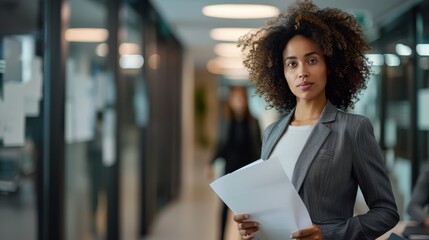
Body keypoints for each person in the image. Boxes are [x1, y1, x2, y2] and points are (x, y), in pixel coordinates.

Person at [232, 0, 399, 239]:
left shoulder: (353, 129)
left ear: (329, 66)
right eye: (292, 63)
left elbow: (386, 212)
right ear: (283, 73)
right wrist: (252, 226)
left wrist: (328, 234)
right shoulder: (272, 132)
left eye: (312, 60)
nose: (302, 71)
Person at [211, 86, 262, 240]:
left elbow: (258, 146)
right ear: (230, 101)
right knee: (224, 208)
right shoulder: (226, 121)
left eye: (241, 98)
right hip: (229, 170)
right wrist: (211, 162)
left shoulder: (253, 121)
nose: (238, 102)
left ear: (245, 101)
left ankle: (244, 237)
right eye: (235, 98)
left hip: (246, 171)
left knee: (246, 209)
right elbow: (221, 146)